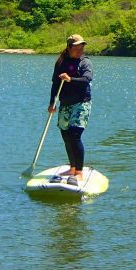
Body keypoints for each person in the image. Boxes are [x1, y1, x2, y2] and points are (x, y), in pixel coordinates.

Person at [48, 34, 93, 185]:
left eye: (82, 47)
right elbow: (55, 84)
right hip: (65, 104)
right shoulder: (61, 62)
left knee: (75, 135)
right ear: (69, 47)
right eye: (76, 47)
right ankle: (72, 167)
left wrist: (70, 79)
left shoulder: (85, 62)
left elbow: (86, 80)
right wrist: (52, 103)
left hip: (81, 103)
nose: (80, 50)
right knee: (66, 136)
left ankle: (79, 172)